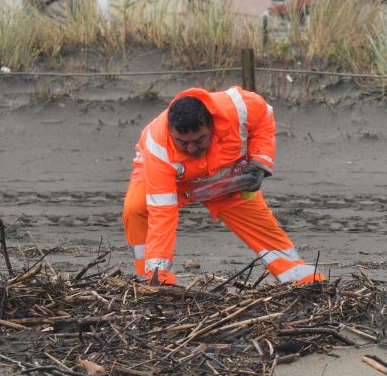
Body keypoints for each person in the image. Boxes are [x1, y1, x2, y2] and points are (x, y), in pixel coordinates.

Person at [122, 86, 323, 286]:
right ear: (170, 132)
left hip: (228, 182)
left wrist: (260, 162)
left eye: (199, 140)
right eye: (182, 143)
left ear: (212, 124)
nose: (191, 148)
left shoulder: (239, 106)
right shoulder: (157, 148)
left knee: (264, 231)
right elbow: (162, 214)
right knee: (137, 209)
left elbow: (264, 116)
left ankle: (301, 279)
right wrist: (160, 278)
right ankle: (151, 279)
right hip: (174, 181)